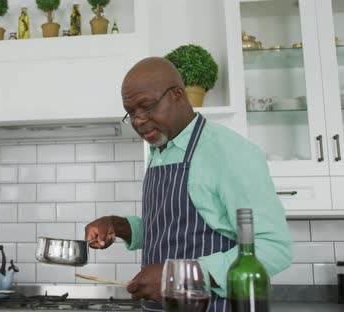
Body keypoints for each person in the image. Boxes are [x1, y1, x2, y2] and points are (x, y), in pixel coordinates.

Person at [85, 57, 292, 312]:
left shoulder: (229, 153)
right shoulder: (161, 150)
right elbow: (174, 229)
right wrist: (121, 226)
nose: (138, 121)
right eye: (131, 112)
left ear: (178, 96)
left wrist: (181, 275)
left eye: (146, 107)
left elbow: (274, 247)